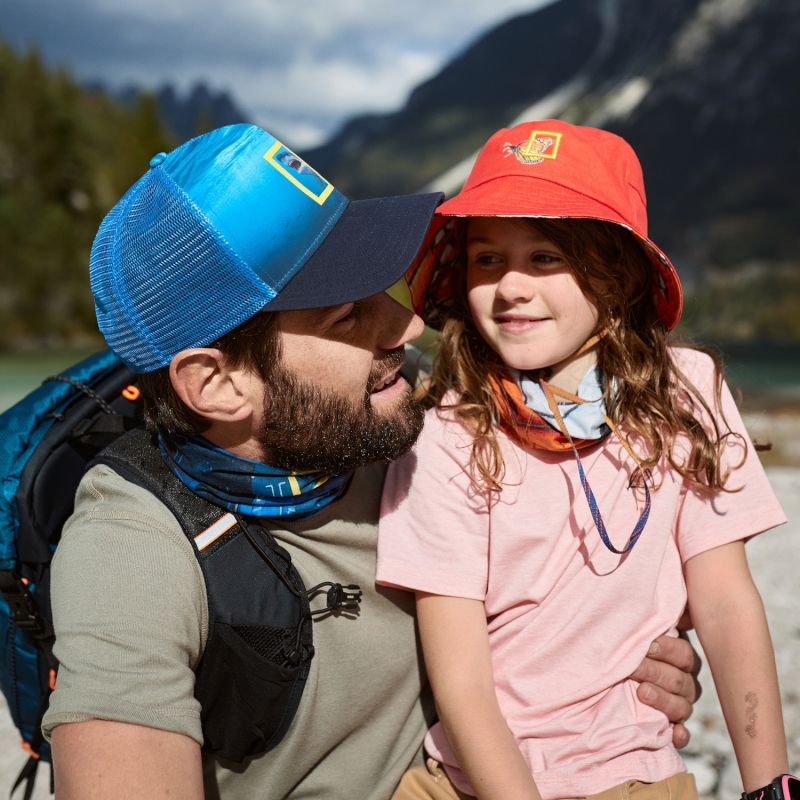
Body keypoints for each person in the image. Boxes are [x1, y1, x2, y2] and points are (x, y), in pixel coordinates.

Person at [43, 123, 702, 800]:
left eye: (381, 289)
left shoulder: (416, 415)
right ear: (218, 384)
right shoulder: (132, 551)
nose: (408, 327)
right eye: (348, 316)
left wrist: (632, 660)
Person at [377, 120, 788, 800]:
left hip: (635, 777)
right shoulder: (449, 427)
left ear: (619, 273)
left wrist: (770, 785)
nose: (510, 287)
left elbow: (725, 603)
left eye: (545, 258)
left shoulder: (686, 394)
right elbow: (462, 683)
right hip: (473, 783)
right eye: (486, 258)